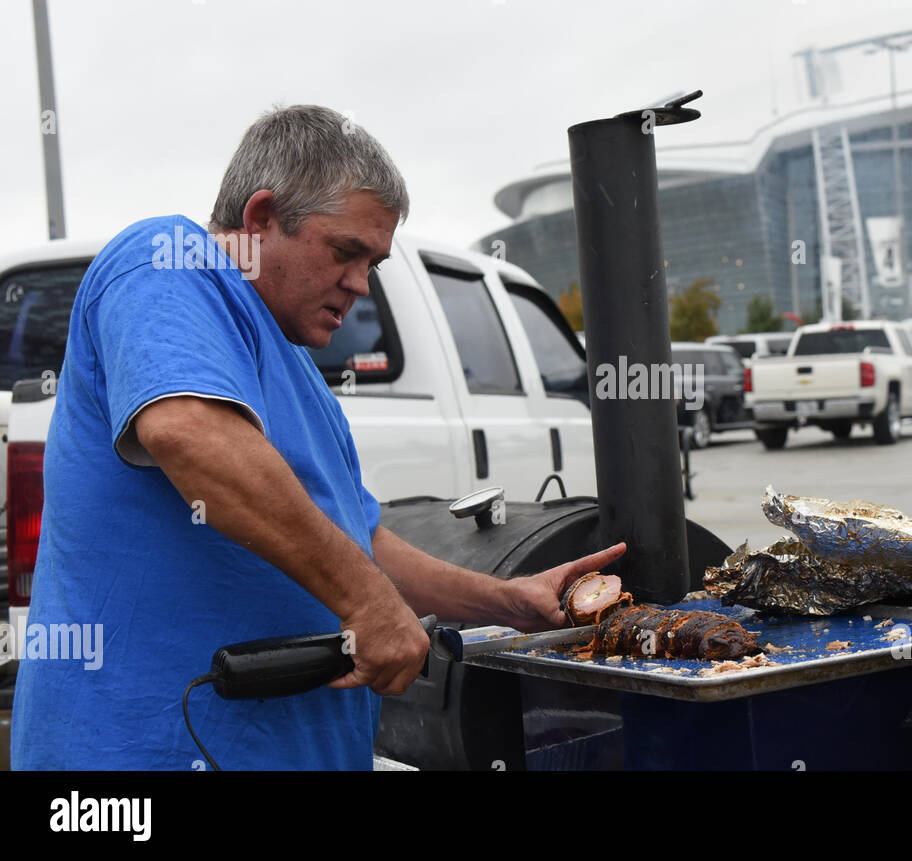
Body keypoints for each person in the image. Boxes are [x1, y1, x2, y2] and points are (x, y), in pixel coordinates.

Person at [11, 105, 626, 770]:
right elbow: (186, 431)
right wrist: (365, 602)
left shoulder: (298, 367)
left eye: (375, 264)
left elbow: (362, 542)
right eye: (345, 251)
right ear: (260, 218)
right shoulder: (163, 260)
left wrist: (508, 601)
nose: (361, 284)